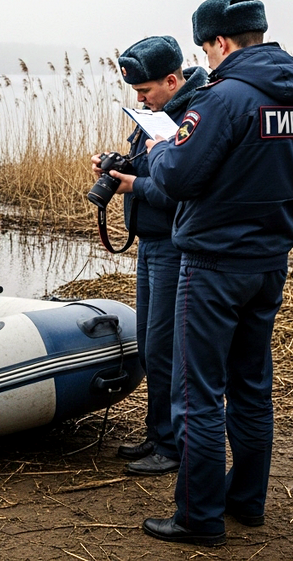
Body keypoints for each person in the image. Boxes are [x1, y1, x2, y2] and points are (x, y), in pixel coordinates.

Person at [140, 0, 293, 546]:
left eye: (205, 49)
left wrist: (161, 146)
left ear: (220, 42)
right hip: (269, 261)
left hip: (212, 265)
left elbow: (177, 176)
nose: (207, 59)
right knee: (251, 387)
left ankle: (198, 517)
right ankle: (246, 500)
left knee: (198, 393)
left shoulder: (223, 98)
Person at [93, 36, 207, 477]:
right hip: (151, 243)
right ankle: (158, 434)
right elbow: (152, 166)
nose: (140, 99)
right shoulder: (158, 114)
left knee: (165, 348)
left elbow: (183, 189)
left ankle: (172, 446)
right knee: (150, 345)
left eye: (145, 91)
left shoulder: (195, 116)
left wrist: (133, 186)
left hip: (174, 246)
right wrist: (120, 166)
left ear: (172, 81)